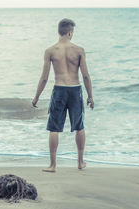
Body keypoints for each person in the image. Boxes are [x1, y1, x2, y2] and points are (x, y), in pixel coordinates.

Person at [32, 18, 94, 172]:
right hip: (75, 90)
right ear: (70, 32)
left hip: (59, 90)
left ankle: (52, 165)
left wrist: (36, 96)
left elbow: (44, 77)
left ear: (59, 31)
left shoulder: (50, 51)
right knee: (79, 127)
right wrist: (90, 96)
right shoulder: (79, 50)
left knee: (54, 128)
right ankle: (80, 162)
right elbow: (86, 76)